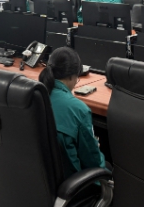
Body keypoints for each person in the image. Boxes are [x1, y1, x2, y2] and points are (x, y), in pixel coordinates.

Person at [39, 47, 106, 179]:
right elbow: (94, 163)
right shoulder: (79, 110)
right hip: (70, 184)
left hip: (40, 178)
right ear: (71, 76)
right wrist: (94, 146)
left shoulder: (35, 96)